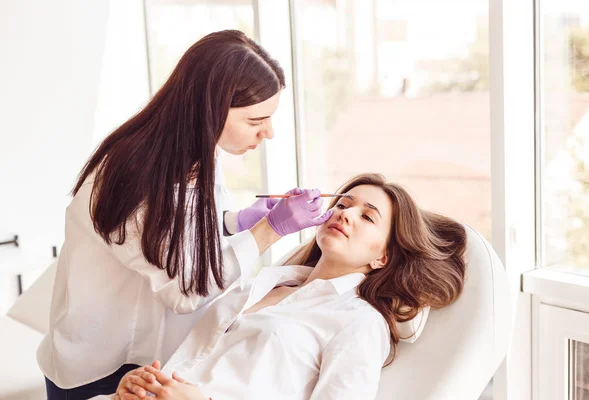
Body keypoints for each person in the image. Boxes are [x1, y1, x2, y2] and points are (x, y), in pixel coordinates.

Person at [38, 29, 334, 400]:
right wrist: (269, 230)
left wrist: (235, 221)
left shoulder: (198, 149)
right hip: (100, 367)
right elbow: (185, 289)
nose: (269, 133)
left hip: (159, 356)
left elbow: (187, 227)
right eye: (256, 121)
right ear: (210, 109)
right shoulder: (135, 176)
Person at [113, 173, 468, 400]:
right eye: (343, 204)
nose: (345, 213)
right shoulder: (266, 282)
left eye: (367, 216)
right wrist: (143, 384)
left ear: (383, 258)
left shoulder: (359, 322)